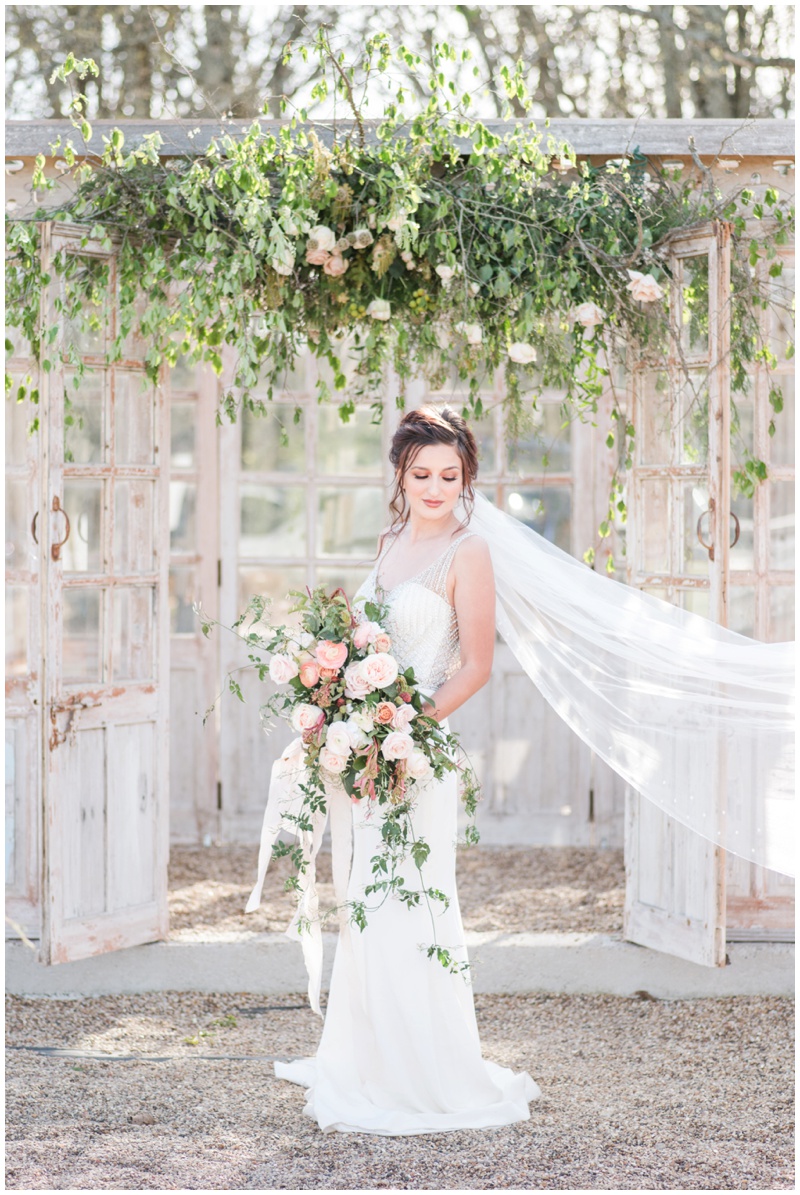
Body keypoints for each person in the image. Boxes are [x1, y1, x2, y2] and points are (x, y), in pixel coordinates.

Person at [258, 404, 543, 1134]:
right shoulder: (388, 540)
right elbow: (362, 640)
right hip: (366, 749)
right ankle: (366, 1058)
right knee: (364, 901)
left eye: (450, 474)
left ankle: (427, 1068)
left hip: (418, 753)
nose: (436, 487)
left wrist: (402, 730)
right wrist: (339, 712)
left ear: (466, 477)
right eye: (422, 474)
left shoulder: (469, 552)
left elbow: (476, 666)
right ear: (401, 475)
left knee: (413, 901)